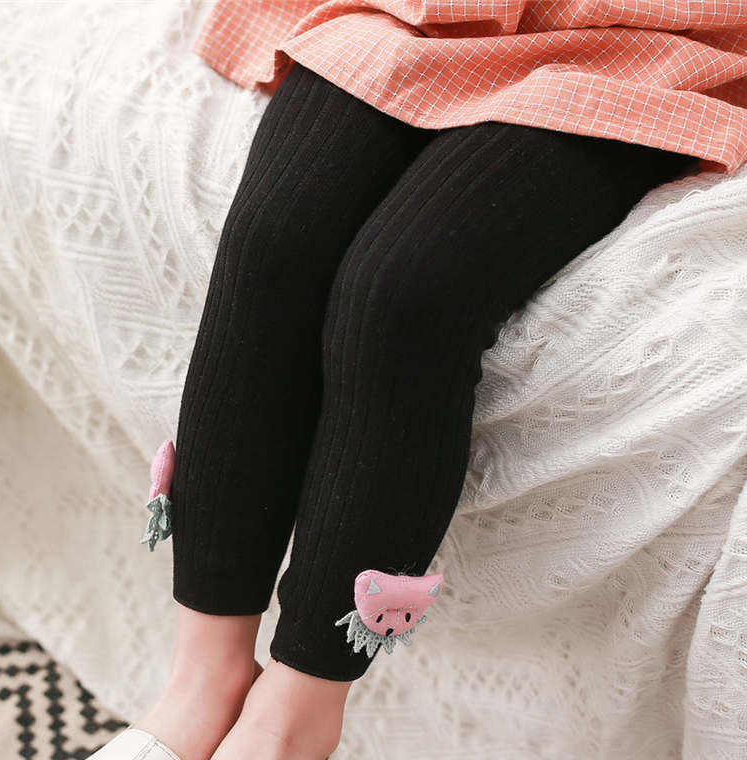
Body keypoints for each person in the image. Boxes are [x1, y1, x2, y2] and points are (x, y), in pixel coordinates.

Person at [88, 3, 746, 760]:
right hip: (412, 13)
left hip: (637, 41)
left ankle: (296, 718)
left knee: (399, 295)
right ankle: (203, 681)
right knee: (272, 249)